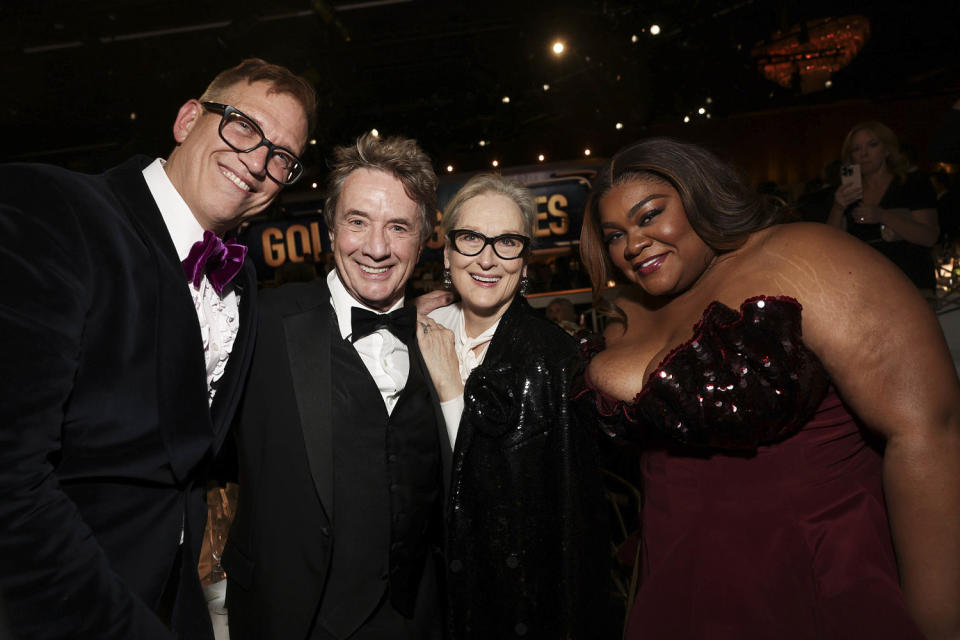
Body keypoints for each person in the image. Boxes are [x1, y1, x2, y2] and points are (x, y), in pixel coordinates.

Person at [576, 138, 960, 639]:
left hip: (814, 578)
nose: (633, 243)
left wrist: (940, 623)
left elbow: (928, 432)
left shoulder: (805, 255)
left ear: (700, 197)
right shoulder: (622, 314)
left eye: (649, 216)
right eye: (615, 235)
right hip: (676, 586)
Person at [0, 58, 315, 639]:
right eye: (243, 125)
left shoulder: (240, 280)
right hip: (59, 606)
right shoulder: (56, 208)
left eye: (282, 157)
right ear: (188, 118)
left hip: (173, 602)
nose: (257, 161)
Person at [223, 132, 449, 640]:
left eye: (398, 227)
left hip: (418, 619)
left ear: (424, 237)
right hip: (294, 620)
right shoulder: (258, 324)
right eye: (357, 222)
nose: (376, 247)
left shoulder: (446, 337)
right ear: (330, 230)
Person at [417, 174, 607, 639]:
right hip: (421, 586)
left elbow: (535, 516)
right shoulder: (418, 330)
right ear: (447, 254)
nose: (486, 258)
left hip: (505, 598)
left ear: (525, 263)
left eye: (506, 242)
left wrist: (449, 390)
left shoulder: (555, 360)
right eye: (470, 239)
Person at [826, 121, 939, 292]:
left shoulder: (912, 183)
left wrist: (884, 216)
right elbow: (830, 245)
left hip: (912, 283)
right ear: (850, 157)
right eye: (856, 149)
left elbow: (929, 236)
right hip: (867, 286)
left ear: (887, 149)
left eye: (872, 145)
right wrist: (838, 207)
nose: (864, 154)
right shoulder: (847, 192)